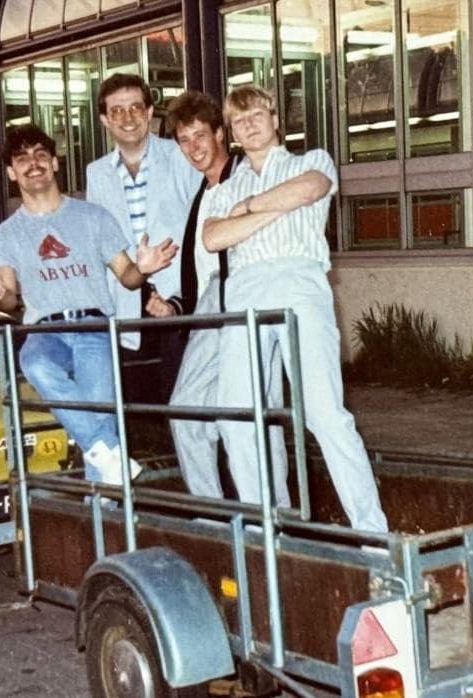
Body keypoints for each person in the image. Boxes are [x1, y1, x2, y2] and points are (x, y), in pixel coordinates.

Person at [201, 85, 388, 533]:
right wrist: (272, 210)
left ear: (275, 119)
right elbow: (212, 238)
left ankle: (373, 533)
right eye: (239, 121)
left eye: (257, 115)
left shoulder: (311, 160)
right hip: (244, 290)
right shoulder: (222, 188)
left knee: (325, 413)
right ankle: (268, 528)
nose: (249, 125)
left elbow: (310, 189)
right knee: (237, 416)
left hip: (299, 283)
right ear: (232, 132)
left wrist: (245, 212)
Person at [0, 123, 176, 484]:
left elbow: (126, 275)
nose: (33, 164)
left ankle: (107, 518)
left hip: (94, 328)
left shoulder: (92, 217)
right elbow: (10, 300)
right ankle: (108, 449)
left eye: (41, 155)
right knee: (33, 361)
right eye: (22, 159)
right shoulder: (5, 235)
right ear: (11, 172)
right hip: (47, 330)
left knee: (97, 425)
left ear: (55, 164)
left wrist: (142, 269)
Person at [163, 90, 290, 507]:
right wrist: (178, 306)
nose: (194, 148)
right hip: (211, 304)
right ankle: (222, 512)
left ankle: (268, 512)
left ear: (221, 133)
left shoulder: (242, 176)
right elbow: (200, 265)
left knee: (249, 410)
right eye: (184, 140)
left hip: (241, 293)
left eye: (201, 135)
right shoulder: (206, 191)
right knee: (209, 413)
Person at [85, 73, 201, 400]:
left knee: (184, 399)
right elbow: (100, 242)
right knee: (137, 406)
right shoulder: (97, 173)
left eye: (136, 107)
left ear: (150, 112)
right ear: (104, 119)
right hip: (126, 301)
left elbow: (202, 216)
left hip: (178, 298)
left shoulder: (179, 156)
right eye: (117, 111)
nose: (128, 118)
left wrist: (184, 298)